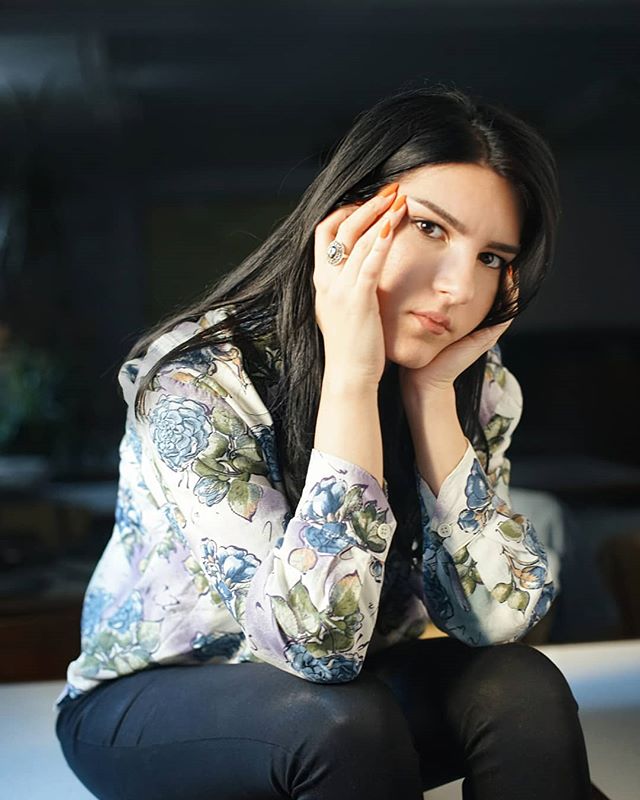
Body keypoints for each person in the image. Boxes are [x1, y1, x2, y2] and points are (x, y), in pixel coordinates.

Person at [55, 85, 592, 799]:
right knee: (344, 720)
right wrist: (351, 377)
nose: (460, 287)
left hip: (352, 693)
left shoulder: (475, 381)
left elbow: (497, 620)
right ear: (345, 220)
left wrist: (432, 398)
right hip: (156, 701)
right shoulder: (199, 378)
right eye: (429, 228)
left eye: (492, 257)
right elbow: (318, 647)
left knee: (522, 688)